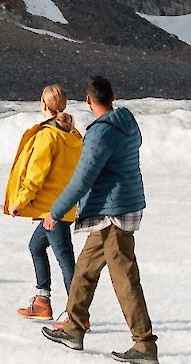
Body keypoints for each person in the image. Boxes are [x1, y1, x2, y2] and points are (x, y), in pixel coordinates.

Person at [40, 76, 157, 362]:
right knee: (85, 270)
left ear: (89, 101)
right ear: (113, 96)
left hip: (113, 213)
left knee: (125, 280)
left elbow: (82, 179)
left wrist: (55, 212)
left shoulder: (101, 133)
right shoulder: (126, 123)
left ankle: (144, 345)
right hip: (119, 208)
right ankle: (74, 328)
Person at [5, 84, 83, 322]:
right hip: (65, 205)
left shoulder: (48, 136)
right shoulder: (73, 135)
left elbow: (35, 174)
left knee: (65, 257)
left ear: (45, 105)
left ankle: (77, 315)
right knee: (37, 247)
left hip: (52, 209)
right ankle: (42, 301)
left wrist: (20, 201)